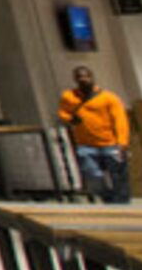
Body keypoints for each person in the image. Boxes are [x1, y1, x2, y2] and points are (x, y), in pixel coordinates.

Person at [55, 65, 131, 204]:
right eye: (79, 77)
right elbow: (62, 112)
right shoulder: (69, 97)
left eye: (86, 76)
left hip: (110, 143)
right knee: (92, 175)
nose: (83, 79)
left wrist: (122, 142)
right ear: (75, 79)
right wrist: (70, 119)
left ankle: (121, 202)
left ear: (92, 77)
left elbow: (120, 120)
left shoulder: (108, 98)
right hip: (86, 145)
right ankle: (107, 197)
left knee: (118, 176)